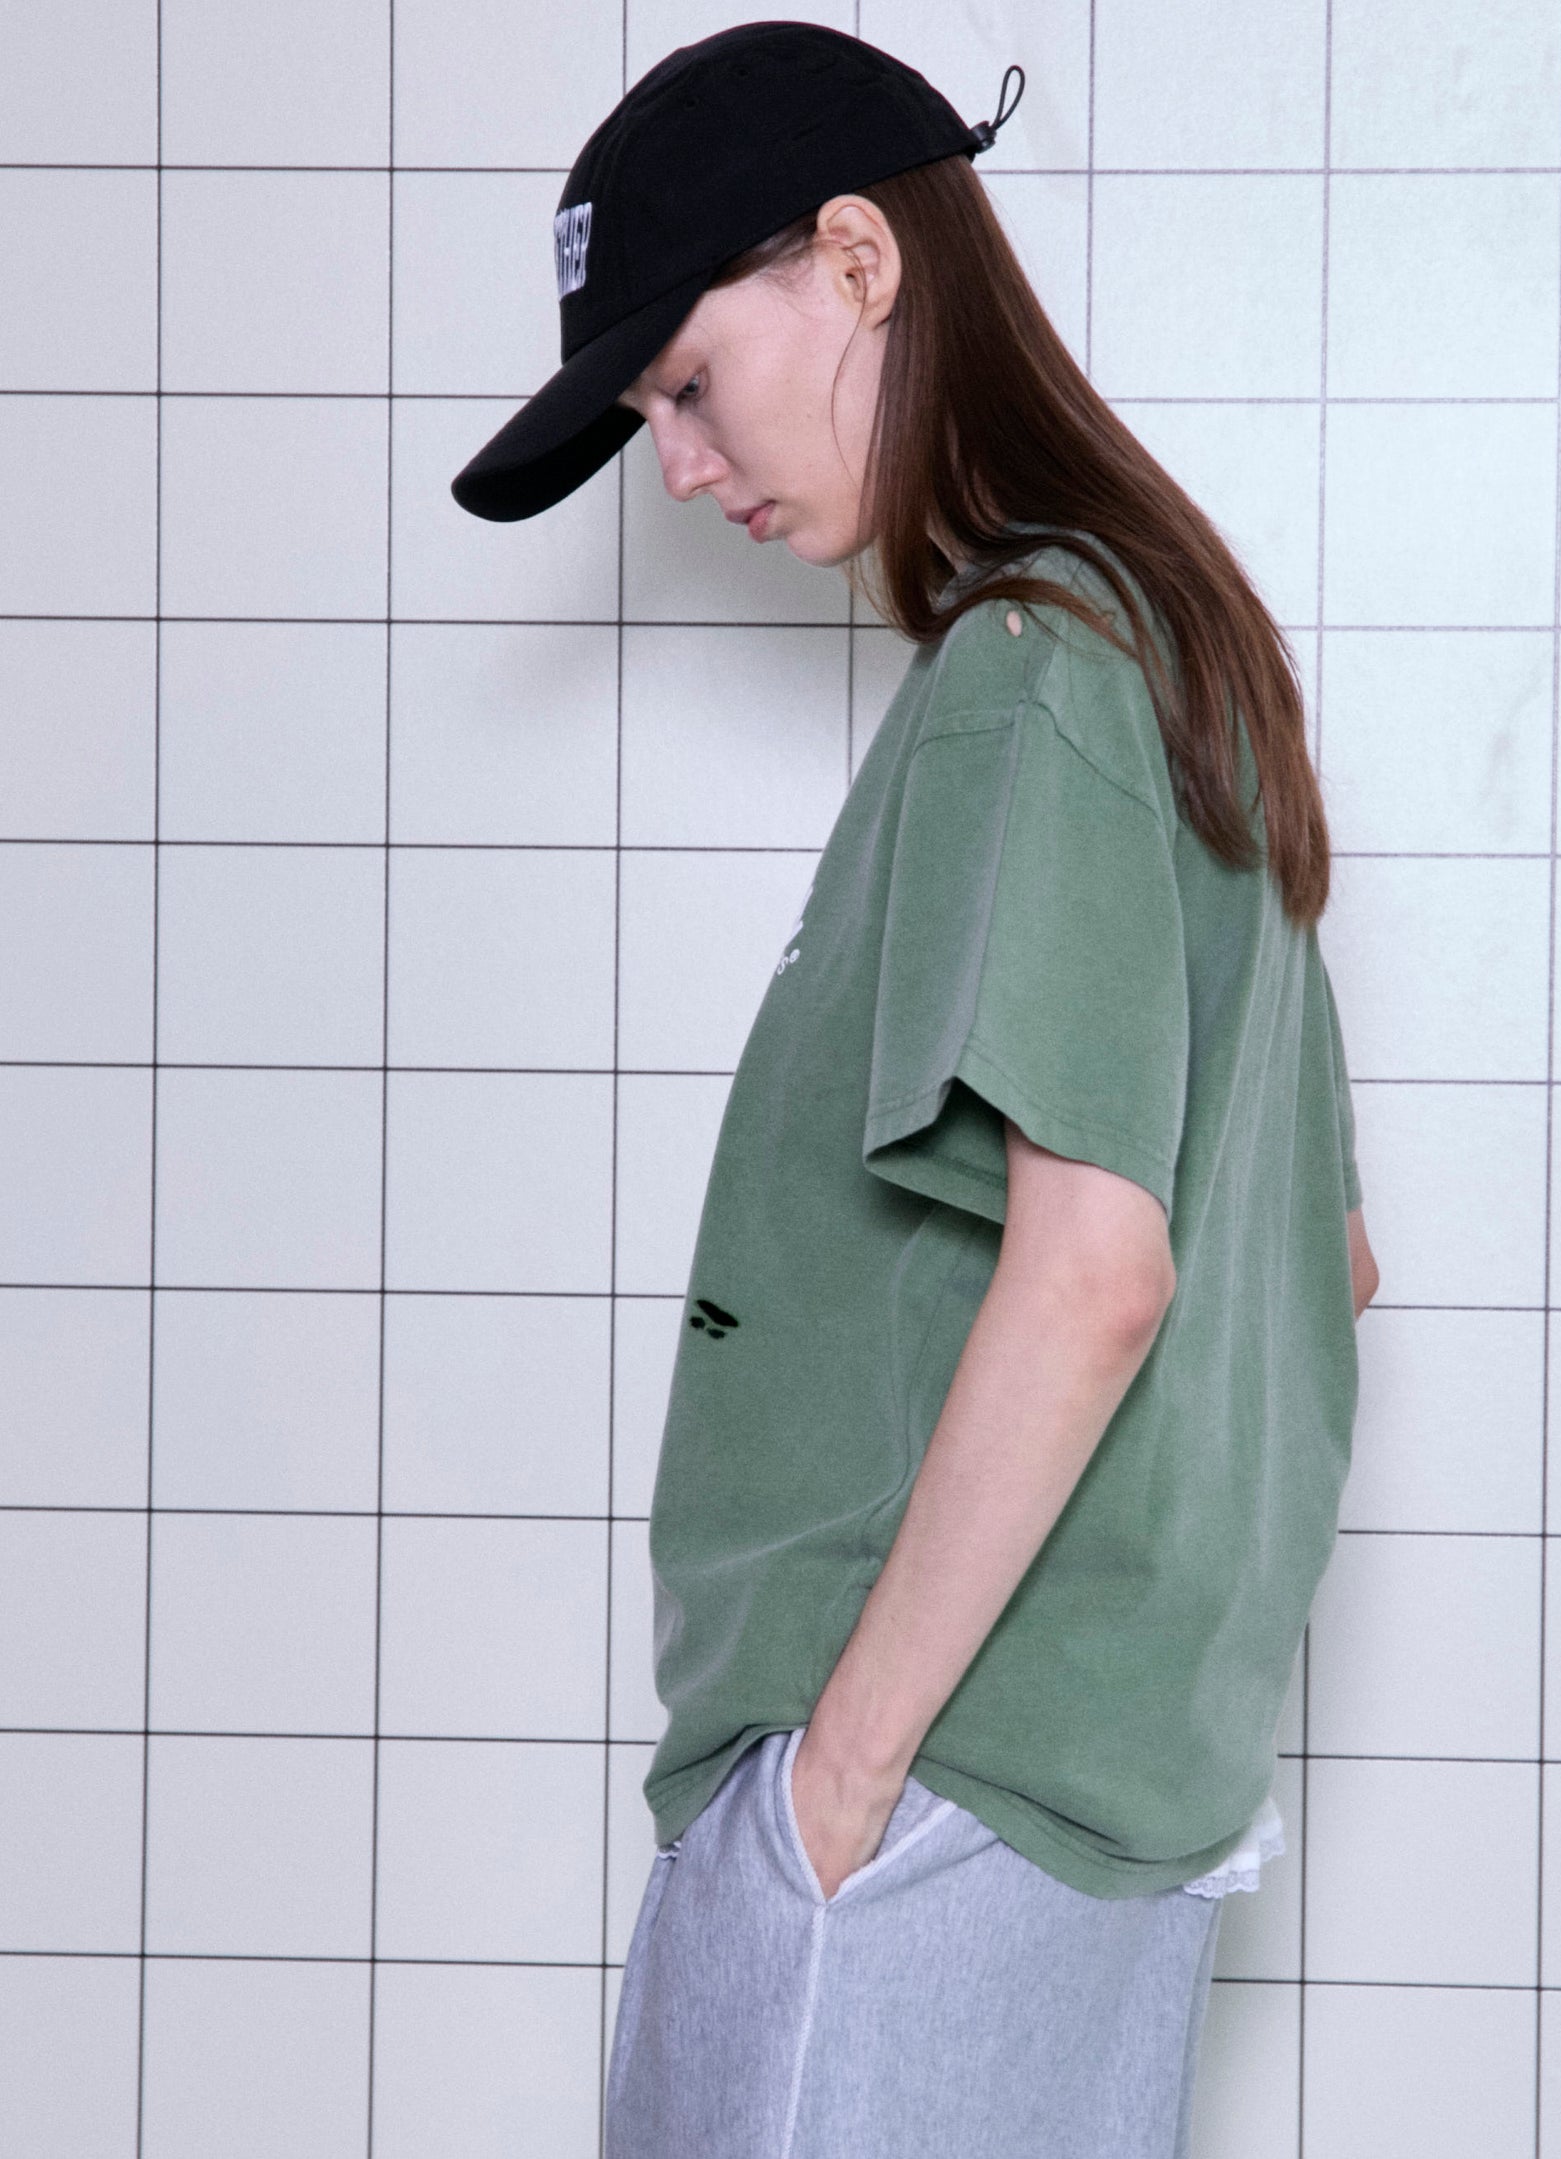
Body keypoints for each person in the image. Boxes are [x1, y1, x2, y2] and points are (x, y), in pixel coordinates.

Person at [451, 22, 1378, 2157]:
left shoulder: (1028, 672)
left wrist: (844, 1776)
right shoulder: (1177, 651)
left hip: (924, 1799)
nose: (682, 469)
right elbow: (1320, 1256)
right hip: (1091, 1810)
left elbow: (1100, 1271)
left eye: (687, 382)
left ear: (860, 260)